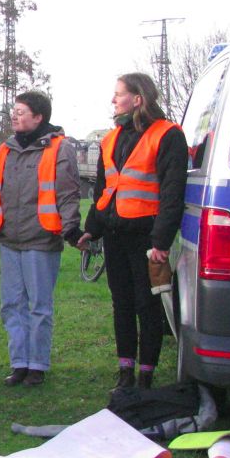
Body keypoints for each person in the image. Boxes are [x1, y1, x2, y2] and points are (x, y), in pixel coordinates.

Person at [77, 73, 187, 391]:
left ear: (138, 99)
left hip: (147, 237)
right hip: (114, 234)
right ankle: (125, 372)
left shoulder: (168, 135)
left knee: (147, 304)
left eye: (118, 94)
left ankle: (146, 375)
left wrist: (161, 242)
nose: (113, 100)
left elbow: (172, 193)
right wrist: (91, 230)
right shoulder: (111, 139)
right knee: (121, 303)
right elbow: (104, 191)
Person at [0, 91, 81, 386]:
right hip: (10, 240)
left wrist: (71, 229)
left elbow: (68, 193)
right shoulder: (4, 151)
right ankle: (19, 363)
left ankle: (37, 365)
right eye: (14, 110)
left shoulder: (60, 149)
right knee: (11, 304)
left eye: (21, 111)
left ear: (39, 117)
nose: (15, 115)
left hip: (41, 240)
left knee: (39, 305)